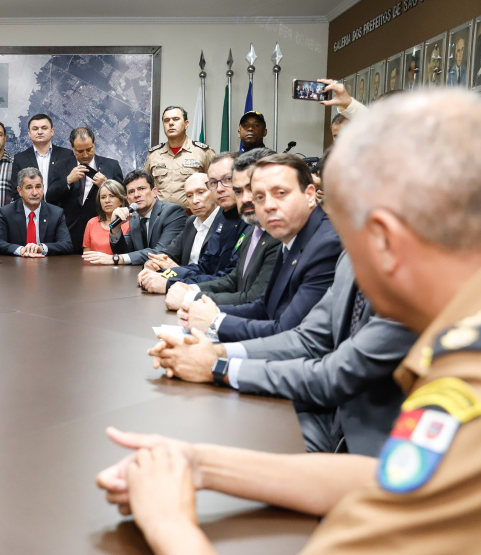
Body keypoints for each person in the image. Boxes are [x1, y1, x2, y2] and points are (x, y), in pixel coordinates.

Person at [96, 89, 481, 555]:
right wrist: (198, 464)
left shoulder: (467, 373)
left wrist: (167, 523)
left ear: (382, 238)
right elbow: (389, 481)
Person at [154, 252, 416, 456]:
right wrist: (215, 351)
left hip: (371, 445)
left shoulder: (413, 277)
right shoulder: (351, 257)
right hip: (325, 414)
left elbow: (335, 375)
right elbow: (307, 339)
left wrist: (216, 367)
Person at [178, 153, 341, 343]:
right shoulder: (286, 235)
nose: (268, 205)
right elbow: (264, 307)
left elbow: (289, 332)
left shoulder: (325, 244)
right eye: (260, 196)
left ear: (310, 195)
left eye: (280, 193)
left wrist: (214, 322)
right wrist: (202, 311)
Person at [164, 148, 281, 309]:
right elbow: (231, 278)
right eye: (239, 191)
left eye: (228, 179)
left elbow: (254, 301)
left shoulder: (275, 234)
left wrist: (189, 295)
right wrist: (176, 281)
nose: (246, 198)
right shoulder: (249, 228)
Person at [138, 152, 243, 292]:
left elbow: (229, 282)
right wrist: (163, 273)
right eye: (214, 183)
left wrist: (170, 282)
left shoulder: (250, 222)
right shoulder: (222, 219)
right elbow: (203, 267)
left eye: (228, 179)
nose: (219, 188)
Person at [83, 169, 186, 266]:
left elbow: (161, 253)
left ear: (154, 192)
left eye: (142, 189)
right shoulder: (134, 218)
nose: (136, 195)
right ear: (128, 199)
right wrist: (116, 228)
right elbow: (123, 252)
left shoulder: (172, 212)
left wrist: (116, 259)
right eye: (131, 191)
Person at [137, 174, 217, 287]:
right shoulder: (191, 222)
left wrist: (177, 271)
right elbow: (168, 254)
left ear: (214, 191)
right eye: (189, 196)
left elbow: (214, 274)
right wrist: (151, 264)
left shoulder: (224, 223)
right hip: (180, 285)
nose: (195, 200)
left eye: (201, 192)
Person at [52, 127, 124, 249]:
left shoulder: (111, 165)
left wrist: (106, 184)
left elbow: (123, 197)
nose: (85, 155)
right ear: (72, 148)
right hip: (68, 233)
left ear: (94, 144)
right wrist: (68, 180)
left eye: (89, 149)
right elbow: (50, 197)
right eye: (80, 151)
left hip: (101, 234)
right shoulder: (60, 166)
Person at [143, 106, 215, 208]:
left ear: (186, 124)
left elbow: (215, 184)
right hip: (160, 214)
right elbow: (145, 185)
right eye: (166, 120)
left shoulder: (203, 152)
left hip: (192, 214)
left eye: (176, 119)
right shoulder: (154, 154)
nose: (171, 123)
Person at [0, 167, 73, 256]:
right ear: (20, 191)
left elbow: (66, 244)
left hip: (46, 263)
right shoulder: (7, 212)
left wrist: (42, 248)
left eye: (38, 187)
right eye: (29, 187)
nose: (35, 193)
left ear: (43, 188)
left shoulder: (56, 213)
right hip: (17, 263)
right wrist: (21, 250)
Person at [8, 113, 75, 191]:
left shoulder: (67, 155)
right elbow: (16, 190)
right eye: (35, 129)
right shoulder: (20, 159)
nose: (39, 132)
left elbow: (74, 186)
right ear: (29, 133)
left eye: (44, 128)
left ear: (52, 131)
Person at [82, 180, 130, 255]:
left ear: (121, 200)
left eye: (112, 196)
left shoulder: (130, 223)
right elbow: (86, 254)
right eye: (103, 197)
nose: (107, 201)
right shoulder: (92, 223)